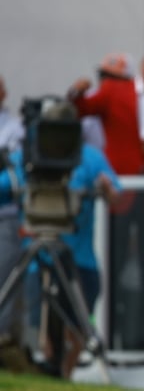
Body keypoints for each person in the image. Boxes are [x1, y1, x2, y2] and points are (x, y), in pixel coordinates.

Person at [67, 46, 144, 350]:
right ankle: (111, 335)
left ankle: (143, 341)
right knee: (114, 264)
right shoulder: (116, 91)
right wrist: (76, 93)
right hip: (120, 193)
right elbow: (81, 110)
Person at [0, 100, 121, 378]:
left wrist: (106, 189)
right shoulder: (27, 155)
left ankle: (64, 374)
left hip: (80, 261)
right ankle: (48, 370)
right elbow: (5, 187)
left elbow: (116, 192)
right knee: (41, 322)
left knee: (78, 322)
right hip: (34, 262)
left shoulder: (89, 156)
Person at [0, 75, 27, 371]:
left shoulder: (12, 129)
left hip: (4, 219)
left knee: (3, 285)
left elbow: (15, 179)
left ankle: (2, 349)